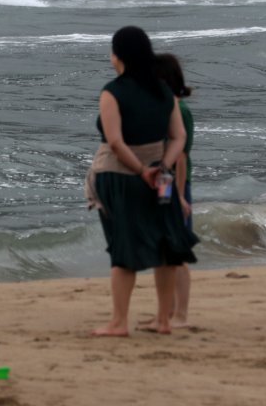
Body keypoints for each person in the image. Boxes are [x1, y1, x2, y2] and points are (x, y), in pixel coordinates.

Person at [85, 26, 197, 337]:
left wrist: (140, 170)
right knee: (165, 248)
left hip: (121, 177)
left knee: (123, 248)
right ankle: (163, 320)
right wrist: (161, 166)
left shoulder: (112, 92)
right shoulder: (164, 91)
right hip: (161, 177)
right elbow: (179, 138)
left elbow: (116, 142)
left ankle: (119, 322)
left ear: (117, 56)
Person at [155, 53, 195, 328]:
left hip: (174, 184)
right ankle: (166, 312)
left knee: (175, 252)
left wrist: (179, 196)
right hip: (163, 184)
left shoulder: (178, 111)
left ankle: (180, 314)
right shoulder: (166, 107)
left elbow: (180, 156)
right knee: (164, 250)